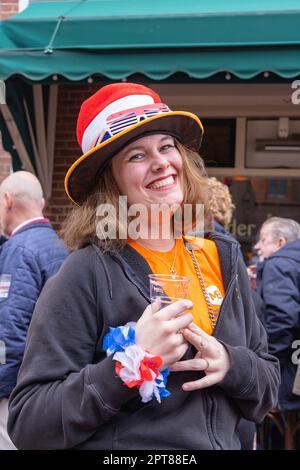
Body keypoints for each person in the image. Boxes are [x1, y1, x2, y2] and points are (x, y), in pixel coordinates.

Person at [8, 83, 279, 450]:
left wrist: (231, 364)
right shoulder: (85, 273)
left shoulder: (221, 257)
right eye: (137, 155)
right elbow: (29, 424)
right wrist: (130, 364)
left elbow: (267, 389)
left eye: (166, 146)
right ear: (111, 182)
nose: (161, 162)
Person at [0, 171, 68, 449]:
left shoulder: (19, 250)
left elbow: (10, 330)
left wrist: (1, 387)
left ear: (7, 201)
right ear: (40, 203)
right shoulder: (60, 245)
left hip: (16, 390)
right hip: (51, 383)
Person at [254, 217, 300, 412]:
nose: (257, 246)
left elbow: (282, 318)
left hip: (289, 369)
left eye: (263, 240)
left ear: (280, 242)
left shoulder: (279, 264)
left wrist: (264, 360)